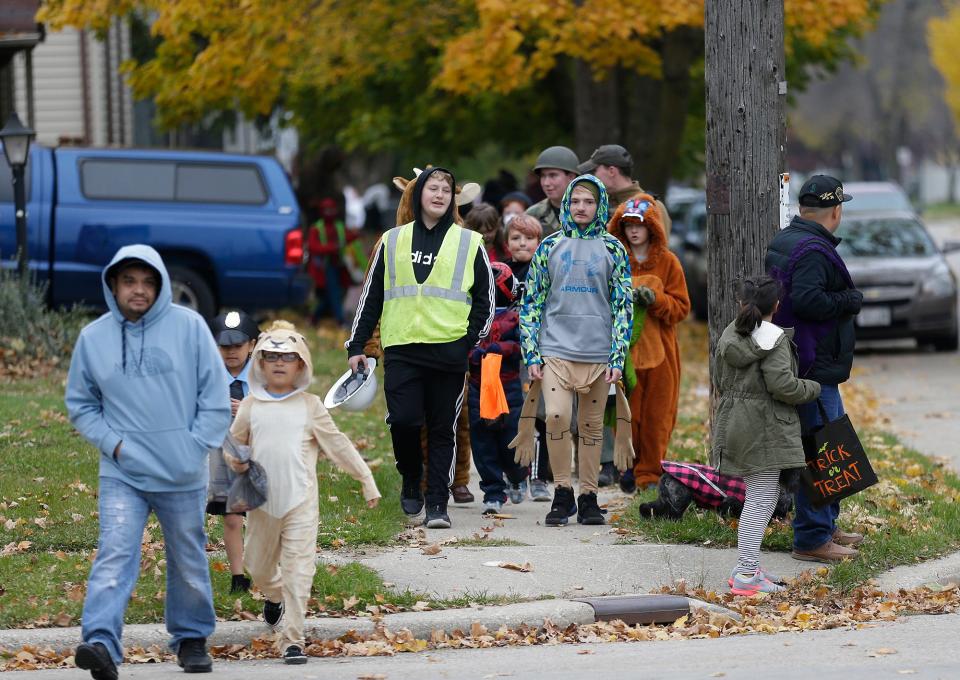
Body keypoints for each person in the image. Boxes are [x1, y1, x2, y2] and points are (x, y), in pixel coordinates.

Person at [66, 245, 231, 679]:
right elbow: (81, 405)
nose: (138, 290)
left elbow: (215, 398)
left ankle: (192, 639)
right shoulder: (94, 338)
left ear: (159, 286)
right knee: (116, 553)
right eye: (129, 282)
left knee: (188, 559)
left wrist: (193, 447)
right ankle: (101, 643)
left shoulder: (190, 328)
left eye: (147, 282)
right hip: (124, 472)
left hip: (182, 472)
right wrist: (115, 446)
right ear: (113, 286)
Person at [346, 167, 494, 529]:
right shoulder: (391, 240)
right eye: (433, 188)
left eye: (447, 189)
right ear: (417, 195)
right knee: (404, 422)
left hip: (449, 352)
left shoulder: (469, 242)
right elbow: (371, 297)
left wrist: (468, 341)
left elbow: (485, 300)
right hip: (403, 349)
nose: (440, 194)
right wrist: (357, 345)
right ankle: (411, 476)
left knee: (443, 428)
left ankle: (437, 503)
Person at [229, 321, 380, 664]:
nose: (279, 363)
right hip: (262, 504)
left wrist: (365, 478)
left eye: (288, 357)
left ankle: (293, 639)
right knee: (258, 567)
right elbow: (235, 443)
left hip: (300, 504)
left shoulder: (310, 406)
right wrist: (234, 461)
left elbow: (338, 446)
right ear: (260, 363)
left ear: (301, 364)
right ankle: (274, 594)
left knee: (300, 572)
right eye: (270, 356)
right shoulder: (252, 405)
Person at [520, 174, 633, 526]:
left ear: (599, 205)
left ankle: (587, 496)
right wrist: (531, 353)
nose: (581, 208)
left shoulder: (614, 249)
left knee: (591, 426)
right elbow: (532, 301)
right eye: (575, 202)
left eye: (588, 202)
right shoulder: (549, 246)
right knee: (555, 417)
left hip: (598, 353)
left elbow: (623, 305)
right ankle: (561, 491)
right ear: (567, 205)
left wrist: (618, 355)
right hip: (555, 349)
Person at [765, 175, 865, 563]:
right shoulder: (811, 250)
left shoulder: (787, 239)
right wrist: (850, 299)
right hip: (812, 364)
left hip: (802, 361)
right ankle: (811, 538)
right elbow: (808, 301)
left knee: (831, 446)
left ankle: (827, 525)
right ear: (836, 211)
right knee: (823, 451)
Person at [712, 275, 821, 594]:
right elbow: (782, 385)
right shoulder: (773, 338)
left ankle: (747, 568)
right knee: (760, 500)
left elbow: (720, 379)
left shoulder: (730, 333)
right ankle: (746, 575)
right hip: (764, 426)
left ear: (741, 304)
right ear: (777, 305)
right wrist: (813, 388)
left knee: (761, 496)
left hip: (735, 422)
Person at [607, 195, 691, 492]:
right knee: (627, 415)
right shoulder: (613, 259)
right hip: (625, 353)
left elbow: (681, 308)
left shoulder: (669, 262)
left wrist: (656, 300)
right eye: (627, 225)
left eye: (639, 225)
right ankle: (627, 468)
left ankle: (651, 475)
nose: (633, 231)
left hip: (661, 354)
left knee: (656, 417)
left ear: (652, 227)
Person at [206, 310, 261, 594]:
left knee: (264, 518)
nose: (231, 352)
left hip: (261, 453)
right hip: (224, 454)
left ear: (251, 345)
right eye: (224, 346)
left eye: (237, 346)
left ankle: (267, 569)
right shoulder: (208, 376)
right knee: (232, 516)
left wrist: (251, 410)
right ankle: (238, 576)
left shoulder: (265, 374)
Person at [468, 262, 530, 513]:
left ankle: (516, 475)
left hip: (508, 387)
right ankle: (493, 491)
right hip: (478, 387)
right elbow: (462, 342)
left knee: (509, 438)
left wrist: (501, 350)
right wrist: (472, 355)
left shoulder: (516, 317)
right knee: (482, 442)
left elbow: (520, 346)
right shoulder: (470, 316)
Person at [504, 214, 552, 501]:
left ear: (539, 242)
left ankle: (538, 478)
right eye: (516, 238)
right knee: (513, 416)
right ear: (507, 243)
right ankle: (515, 477)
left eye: (529, 238)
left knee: (541, 417)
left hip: (539, 352)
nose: (522, 243)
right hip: (509, 352)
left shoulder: (544, 270)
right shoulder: (501, 272)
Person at [577, 144, 672, 235]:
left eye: (594, 171)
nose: (592, 176)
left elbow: (659, 250)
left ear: (611, 171)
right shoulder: (600, 206)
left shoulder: (651, 207)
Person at [526, 146, 580, 238]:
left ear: (571, 177)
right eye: (543, 176)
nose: (546, 183)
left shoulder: (592, 211)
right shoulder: (532, 215)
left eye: (553, 175)